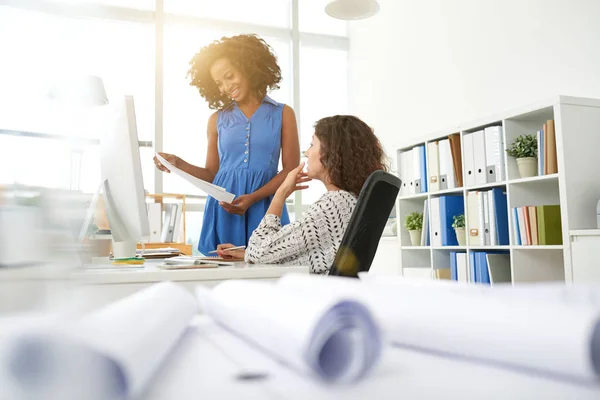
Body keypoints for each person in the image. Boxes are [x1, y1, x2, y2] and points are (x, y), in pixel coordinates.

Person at [154, 34, 299, 255]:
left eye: (229, 76)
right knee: (222, 275)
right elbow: (212, 174)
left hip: (266, 206)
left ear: (249, 67)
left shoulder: (283, 114)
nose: (225, 87)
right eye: (219, 83)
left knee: (266, 270)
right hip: (224, 209)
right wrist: (178, 163)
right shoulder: (217, 120)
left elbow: (290, 170)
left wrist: (253, 198)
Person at [217, 115, 388, 274]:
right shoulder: (348, 201)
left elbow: (258, 252)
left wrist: (281, 192)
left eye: (312, 144)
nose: (307, 152)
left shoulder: (334, 204)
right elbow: (305, 255)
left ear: (330, 152)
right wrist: (247, 254)